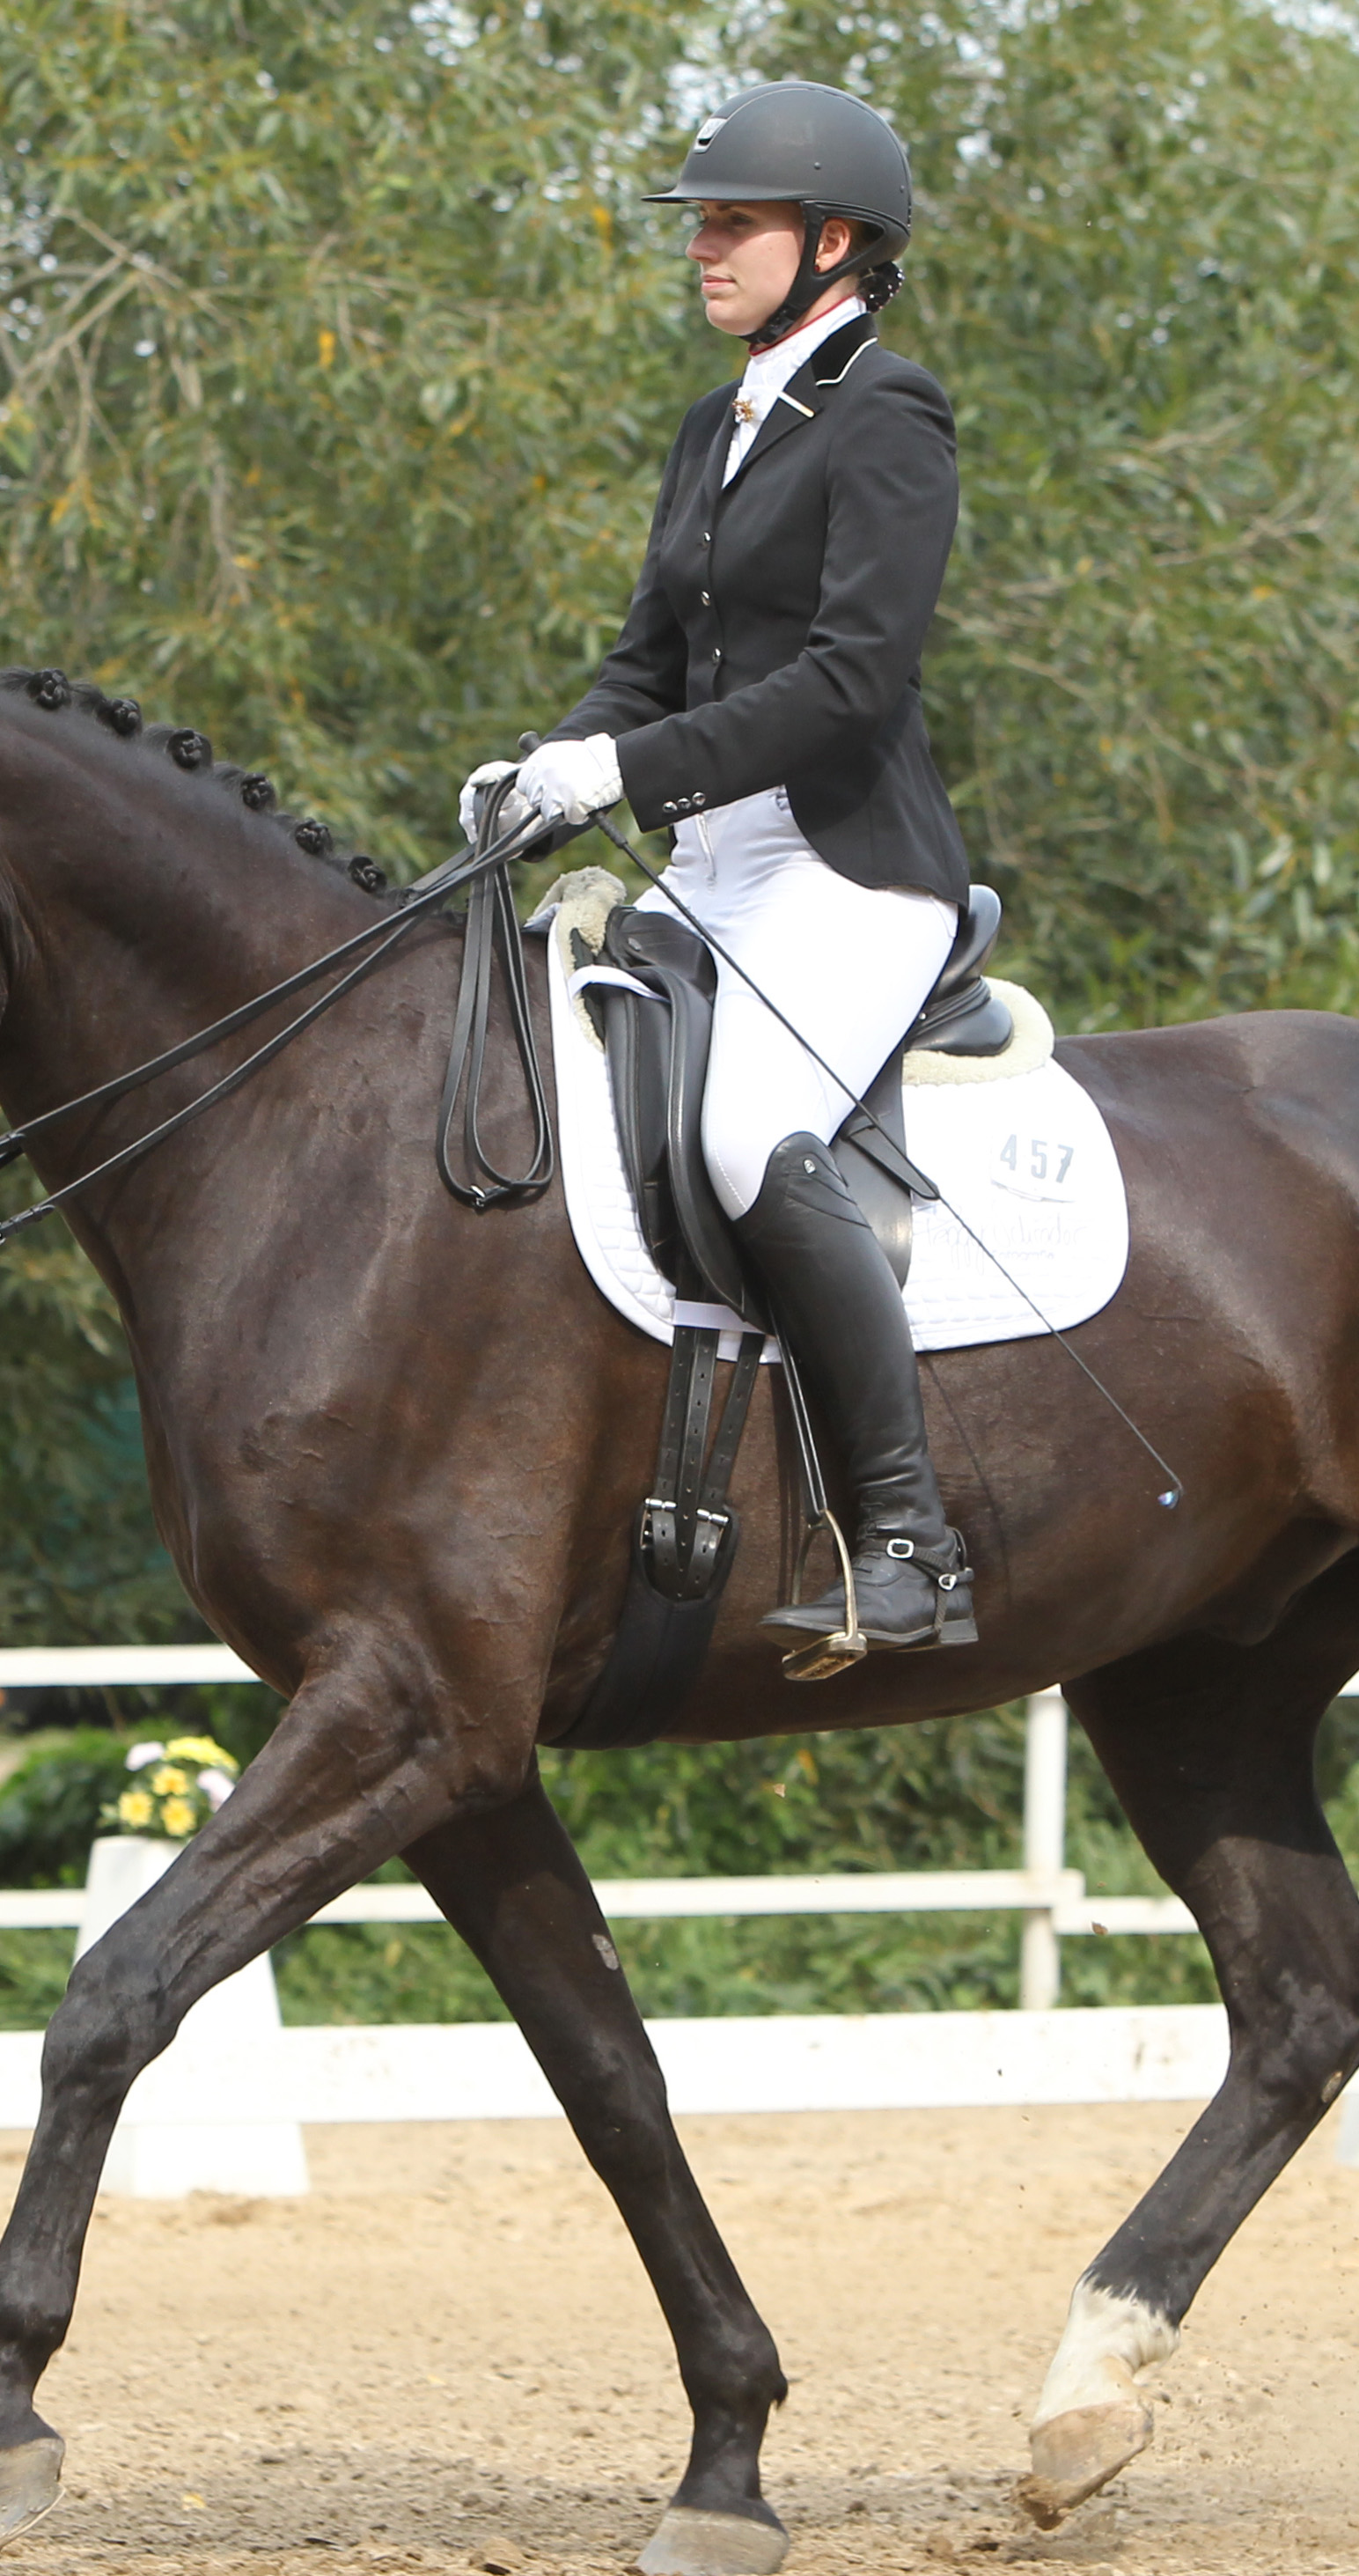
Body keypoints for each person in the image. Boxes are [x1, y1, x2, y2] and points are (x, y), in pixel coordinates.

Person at [461, 79, 977, 1668]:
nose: (706, 248)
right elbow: (648, 663)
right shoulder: (717, 428)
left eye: (735, 223)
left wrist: (623, 771)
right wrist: (549, 762)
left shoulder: (887, 415)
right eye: (703, 222)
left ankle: (907, 1540)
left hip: (847, 875)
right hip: (708, 866)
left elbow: (852, 682)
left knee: (752, 1135)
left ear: (835, 245)